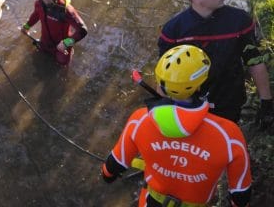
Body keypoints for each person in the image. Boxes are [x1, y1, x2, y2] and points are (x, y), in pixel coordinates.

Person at [101, 45, 252, 207]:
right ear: (201, 85)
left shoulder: (140, 120)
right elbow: (240, 197)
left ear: (161, 85)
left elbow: (111, 170)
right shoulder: (229, 135)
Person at [158, 0, 273, 126]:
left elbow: (254, 61)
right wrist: (162, 105)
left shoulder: (239, 20)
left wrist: (266, 101)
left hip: (229, 100)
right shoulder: (174, 30)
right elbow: (165, 74)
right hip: (189, 102)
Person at [21, 0, 88, 65]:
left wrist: (67, 43)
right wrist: (26, 26)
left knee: (62, 63)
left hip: (61, 46)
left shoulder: (66, 10)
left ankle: (70, 51)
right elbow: (35, 16)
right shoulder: (38, 4)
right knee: (39, 57)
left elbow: (83, 30)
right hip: (45, 41)